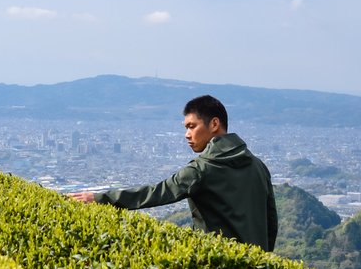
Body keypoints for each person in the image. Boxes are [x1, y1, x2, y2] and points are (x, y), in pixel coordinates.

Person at [68, 95, 278, 251]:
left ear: (214, 124)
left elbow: (156, 193)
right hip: (256, 265)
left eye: (191, 126)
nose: (187, 135)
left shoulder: (202, 169)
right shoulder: (258, 166)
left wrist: (97, 198)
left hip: (221, 264)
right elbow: (271, 221)